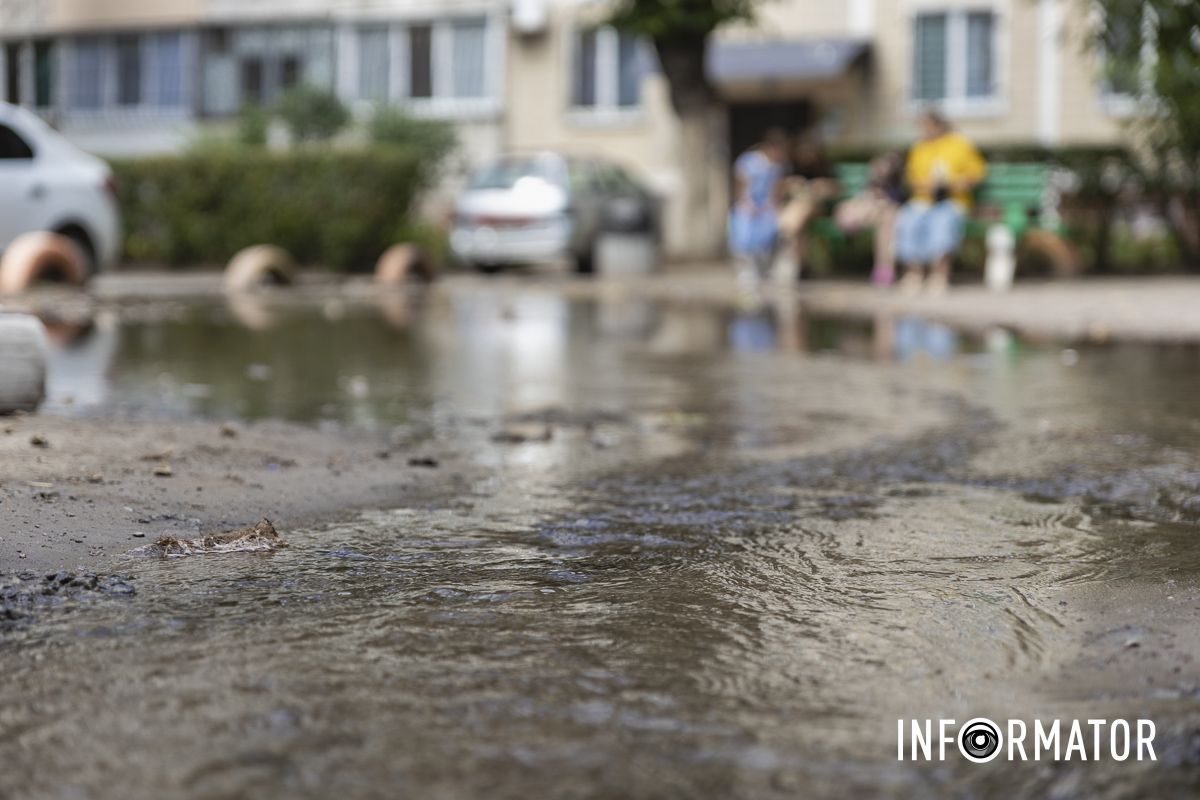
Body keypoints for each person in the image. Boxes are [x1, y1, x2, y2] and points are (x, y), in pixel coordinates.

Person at [894, 111, 986, 294]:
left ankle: (940, 274)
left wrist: (958, 182)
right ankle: (915, 274)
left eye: (927, 126)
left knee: (942, 221)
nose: (923, 130)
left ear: (939, 126)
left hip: (952, 199)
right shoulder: (919, 148)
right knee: (907, 220)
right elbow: (911, 178)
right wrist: (923, 185)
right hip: (923, 200)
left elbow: (977, 172)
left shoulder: (959, 145)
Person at [728, 129, 790, 292]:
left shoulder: (777, 166)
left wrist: (771, 205)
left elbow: (775, 190)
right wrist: (746, 203)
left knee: (771, 229)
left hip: (766, 207)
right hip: (748, 204)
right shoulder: (749, 161)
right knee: (744, 232)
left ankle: (765, 269)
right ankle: (747, 271)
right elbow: (741, 185)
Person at [834, 151, 905, 286]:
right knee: (878, 212)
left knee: (885, 219)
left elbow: (894, 203)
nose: (880, 170)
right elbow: (863, 199)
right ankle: (884, 269)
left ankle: (884, 269)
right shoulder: (871, 185)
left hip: (882, 216)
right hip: (867, 213)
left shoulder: (894, 187)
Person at [775, 134, 838, 282]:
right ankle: (799, 264)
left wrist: (820, 186)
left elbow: (835, 188)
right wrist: (791, 184)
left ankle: (791, 262)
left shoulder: (823, 167)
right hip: (796, 208)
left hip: (817, 207)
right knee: (797, 229)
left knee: (796, 217)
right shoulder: (792, 167)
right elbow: (780, 190)